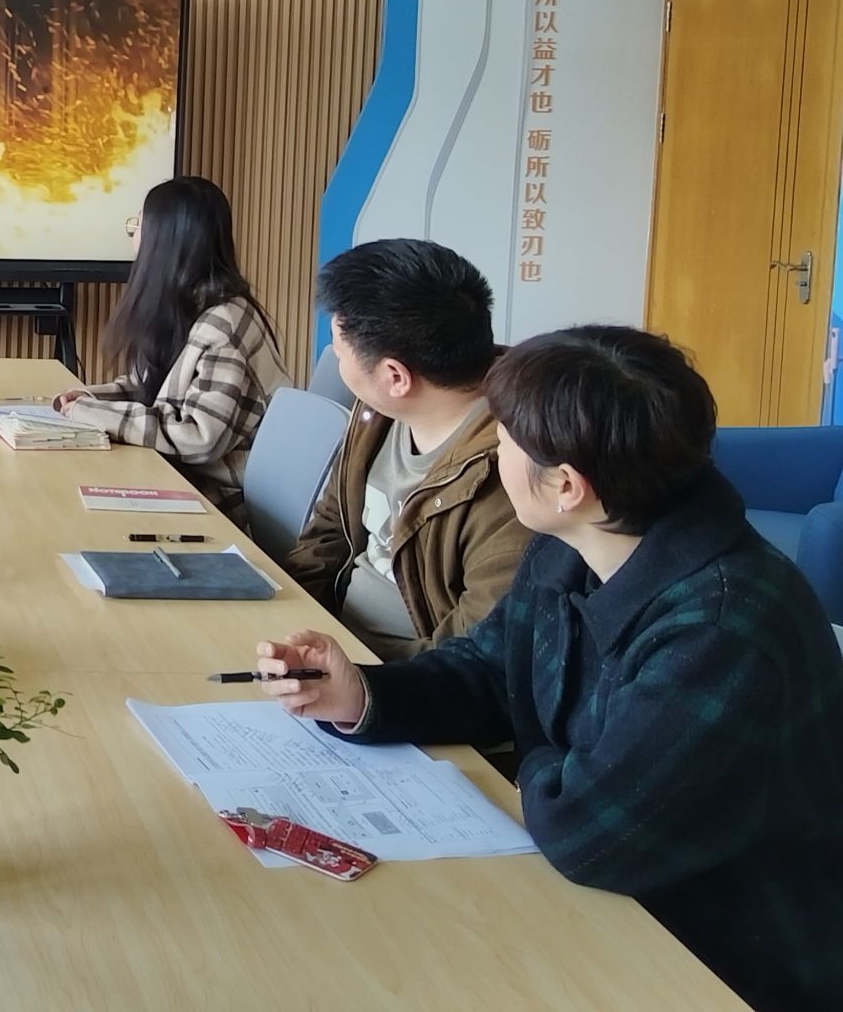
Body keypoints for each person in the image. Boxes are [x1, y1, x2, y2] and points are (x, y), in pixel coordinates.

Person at [255, 327, 843, 1012]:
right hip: (611, 900)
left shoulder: (722, 632)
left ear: (566, 485)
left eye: (502, 440)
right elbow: (491, 668)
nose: (493, 451)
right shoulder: (581, 540)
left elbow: (586, 831)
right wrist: (363, 694)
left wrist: (540, 759)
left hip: (719, 958)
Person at [286, 239, 529, 658]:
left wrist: (355, 673)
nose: (337, 365)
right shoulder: (377, 412)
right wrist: (289, 620)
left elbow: (473, 651)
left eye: (340, 354)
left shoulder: (513, 470)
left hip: (398, 676)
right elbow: (330, 526)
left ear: (395, 377)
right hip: (328, 649)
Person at [53, 177, 289, 524]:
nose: (132, 237)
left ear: (164, 241)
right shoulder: (191, 305)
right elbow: (147, 387)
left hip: (216, 505)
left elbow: (198, 436)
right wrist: (88, 399)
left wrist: (91, 413)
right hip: (178, 478)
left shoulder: (223, 323)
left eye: (137, 226)